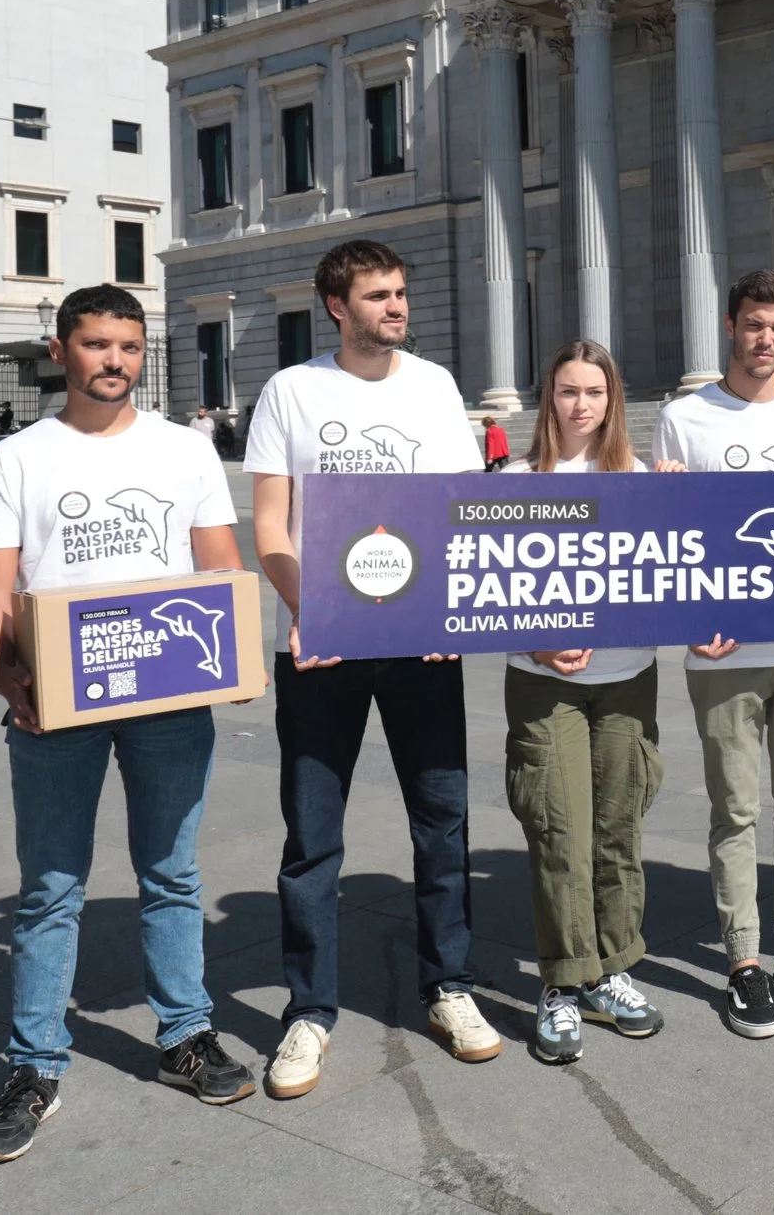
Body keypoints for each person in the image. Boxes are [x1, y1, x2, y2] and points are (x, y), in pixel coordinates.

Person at [0, 284, 256, 1166]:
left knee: (171, 874)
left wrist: (234, 654)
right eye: (96, 344)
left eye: (129, 346)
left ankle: (184, 1037)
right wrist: (9, 682)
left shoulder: (185, 450)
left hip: (168, 698)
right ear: (62, 350)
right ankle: (34, 1066)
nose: (115, 361)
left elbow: (220, 568)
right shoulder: (15, 458)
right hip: (58, 705)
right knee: (49, 889)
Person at [244, 240, 500, 1101]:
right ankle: (309, 1011)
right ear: (335, 306)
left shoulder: (432, 385)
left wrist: (451, 608)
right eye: (377, 295)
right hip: (322, 644)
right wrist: (308, 606)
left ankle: (450, 987)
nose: (395, 307)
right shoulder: (292, 391)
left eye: (399, 292)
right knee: (312, 836)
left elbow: (463, 512)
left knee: (444, 820)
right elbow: (272, 527)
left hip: (422, 640)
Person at [652, 268, 774, 1039]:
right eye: (753, 325)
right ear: (730, 326)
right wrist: (688, 619)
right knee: (735, 808)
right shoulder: (683, 417)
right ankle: (741, 958)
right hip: (723, 652)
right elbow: (670, 539)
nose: (765, 339)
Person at [504, 340, 670, 1064]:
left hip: (627, 673)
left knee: (618, 827)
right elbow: (487, 591)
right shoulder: (514, 479)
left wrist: (681, 502)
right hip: (545, 681)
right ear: (550, 399)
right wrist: (538, 642)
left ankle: (612, 967)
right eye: (568, 391)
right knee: (558, 828)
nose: (581, 405)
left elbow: (679, 569)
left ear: (613, 400)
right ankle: (563, 980)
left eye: (594, 392)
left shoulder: (639, 476)